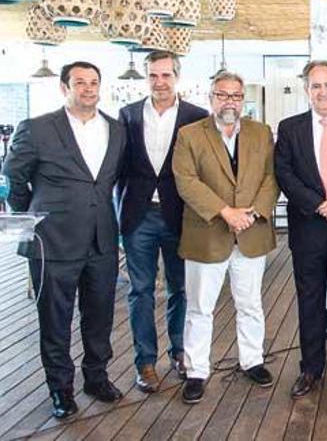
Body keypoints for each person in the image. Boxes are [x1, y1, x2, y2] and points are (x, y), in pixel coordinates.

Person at [1, 62, 126, 418]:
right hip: (52, 242)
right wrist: (38, 216)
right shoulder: (37, 128)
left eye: (94, 82)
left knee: (99, 317)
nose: (88, 88)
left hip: (102, 240)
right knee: (55, 321)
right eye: (80, 82)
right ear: (64, 87)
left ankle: (97, 379)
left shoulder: (116, 130)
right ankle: (61, 390)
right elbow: (13, 178)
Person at [172, 70, 279, 404]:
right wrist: (225, 212)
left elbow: (272, 177)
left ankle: (252, 360)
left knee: (250, 304)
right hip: (207, 234)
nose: (229, 101)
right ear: (211, 97)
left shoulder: (261, 133)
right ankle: (196, 371)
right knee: (200, 308)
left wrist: (253, 213)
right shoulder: (189, 135)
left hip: (251, 232)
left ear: (242, 98)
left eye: (235, 95)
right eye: (222, 94)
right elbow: (186, 181)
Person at [117, 50, 208, 392]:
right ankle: (145, 362)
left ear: (177, 77)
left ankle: (180, 352)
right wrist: (117, 213)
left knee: (180, 289)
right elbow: (118, 170)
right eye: (153, 76)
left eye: (165, 75)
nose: (159, 82)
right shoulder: (127, 115)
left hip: (180, 216)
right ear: (146, 78)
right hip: (138, 216)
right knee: (140, 291)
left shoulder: (197, 116)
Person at [274, 60, 327, 398]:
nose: (322, 91)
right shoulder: (290, 127)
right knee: (309, 300)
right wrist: (317, 203)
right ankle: (310, 369)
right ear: (306, 90)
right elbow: (284, 174)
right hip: (307, 228)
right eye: (315, 86)